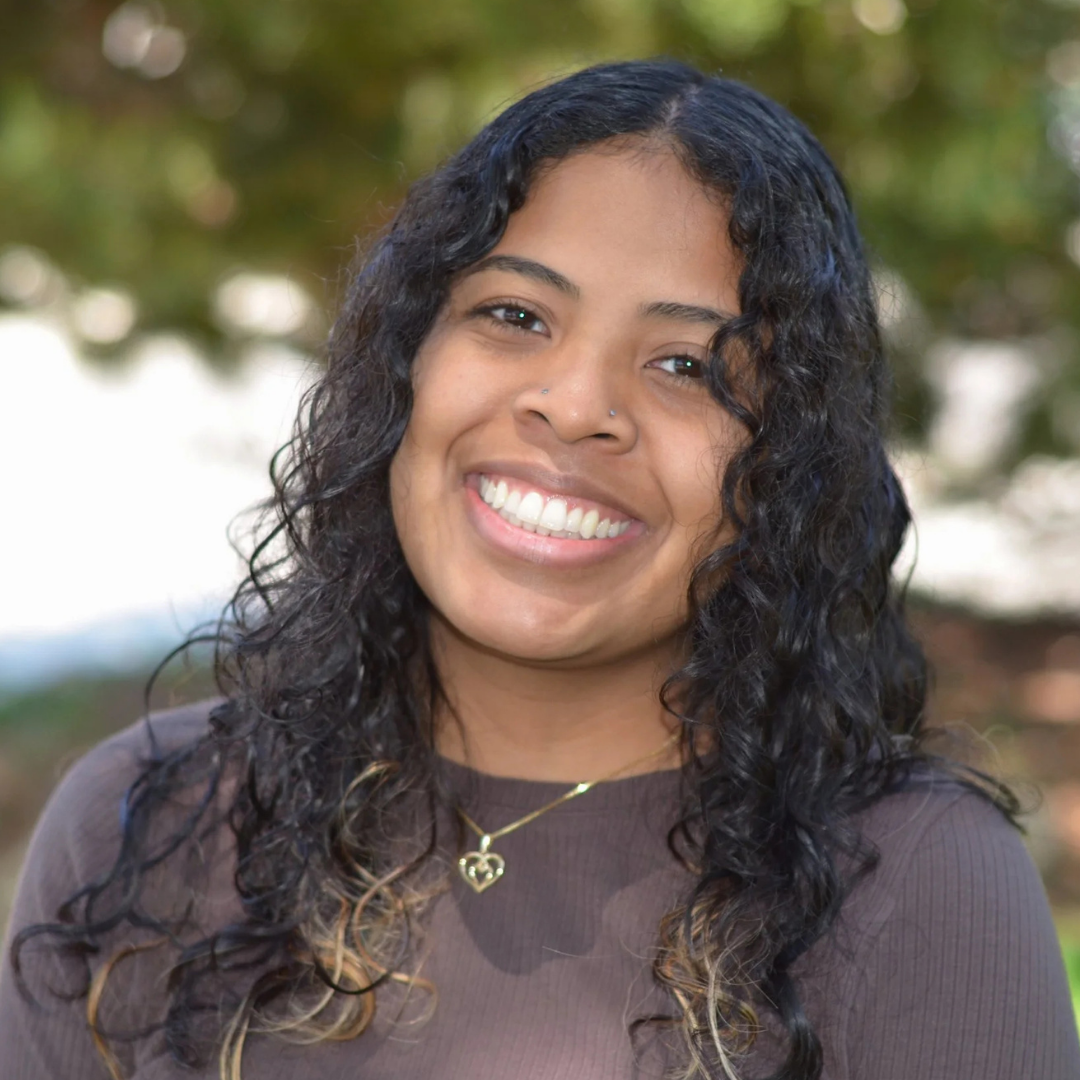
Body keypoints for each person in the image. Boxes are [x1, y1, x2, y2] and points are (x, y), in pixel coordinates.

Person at [1, 58, 1077, 1080]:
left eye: (688, 367)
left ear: (786, 466)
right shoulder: (144, 827)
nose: (573, 405)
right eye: (515, 315)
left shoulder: (917, 888)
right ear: (402, 363)